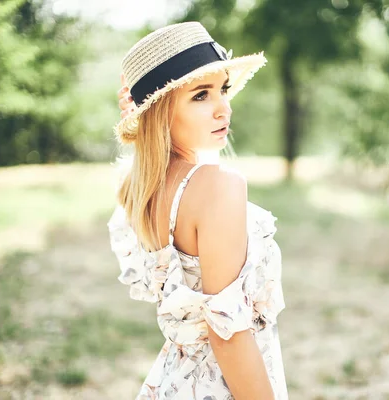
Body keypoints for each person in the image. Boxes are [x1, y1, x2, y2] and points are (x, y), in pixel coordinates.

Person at [106, 21, 288, 399]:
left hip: (175, 379)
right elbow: (229, 334)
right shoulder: (219, 186)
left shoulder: (143, 190)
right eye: (201, 96)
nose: (224, 108)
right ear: (160, 113)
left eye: (222, 89)